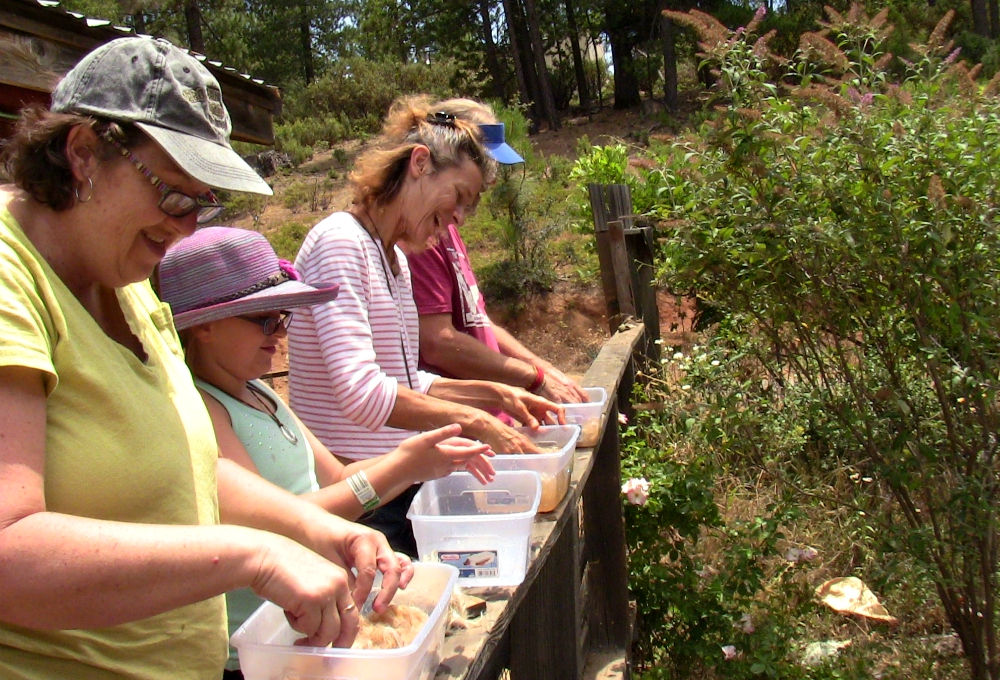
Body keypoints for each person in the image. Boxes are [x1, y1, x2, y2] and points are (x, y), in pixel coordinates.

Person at [0, 37, 406, 680]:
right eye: (173, 194)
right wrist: (256, 559)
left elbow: (196, 466)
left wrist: (316, 529)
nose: (186, 227)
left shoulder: (127, 279)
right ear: (82, 154)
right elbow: (7, 551)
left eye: (202, 201)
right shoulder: (10, 278)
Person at [158, 225, 496, 675]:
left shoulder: (261, 393)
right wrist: (403, 464)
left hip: (311, 626)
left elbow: (336, 481)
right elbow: (276, 522)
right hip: (260, 652)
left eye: (282, 316)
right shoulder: (202, 409)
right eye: (263, 319)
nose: (279, 332)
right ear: (203, 327)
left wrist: (416, 462)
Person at [288, 96, 565, 554]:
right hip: (357, 499)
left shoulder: (393, 256)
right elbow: (361, 394)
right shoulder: (340, 243)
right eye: (458, 196)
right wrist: (473, 417)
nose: (459, 217)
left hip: (394, 486)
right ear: (420, 163)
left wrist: (495, 394)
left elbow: (406, 380)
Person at [407, 102, 589, 405]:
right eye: (484, 158)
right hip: (459, 426)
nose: (491, 175)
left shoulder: (447, 230)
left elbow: (478, 321)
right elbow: (437, 342)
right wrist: (533, 378)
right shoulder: (424, 238)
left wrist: (541, 369)